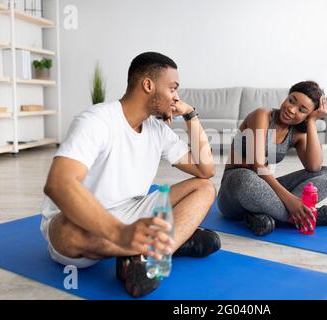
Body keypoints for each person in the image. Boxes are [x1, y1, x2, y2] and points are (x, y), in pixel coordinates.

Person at [41, 52, 220, 297]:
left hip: (131, 212)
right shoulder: (97, 120)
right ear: (148, 85)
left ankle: (151, 255)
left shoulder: (157, 129)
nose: (176, 97)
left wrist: (190, 114)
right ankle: (156, 246)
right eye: (172, 88)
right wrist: (119, 233)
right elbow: (59, 185)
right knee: (65, 230)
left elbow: (205, 170)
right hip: (84, 222)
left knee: (203, 187)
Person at [217, 81, 327, 236]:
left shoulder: (297, 133)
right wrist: (291, 201)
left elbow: (314, 167)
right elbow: (259, 167)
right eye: (291, 100)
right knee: (245, 177)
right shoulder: (262, 115)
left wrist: (312, 121)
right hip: (234, 192)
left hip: (264, 189)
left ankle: (263, 217)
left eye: (302, 110)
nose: (291, 109)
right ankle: (309, 216)